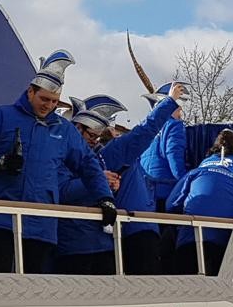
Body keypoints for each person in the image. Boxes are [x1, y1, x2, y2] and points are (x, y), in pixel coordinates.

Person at [0, 51, 115, 274]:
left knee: (36, 285)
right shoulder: (0, 117)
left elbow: (88, 164)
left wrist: (105, 198)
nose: (48, 105)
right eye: (44, 99)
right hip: (0, 215)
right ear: (30, 92)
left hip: (41, 221)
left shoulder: (64, 129)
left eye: (54, 101)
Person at [57, 86, 184, 275]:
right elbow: (62, 191)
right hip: (73, 246)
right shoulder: (61, 158)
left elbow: (142, 133)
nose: (94, 141)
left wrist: (110, 187)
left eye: (98, 137)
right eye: (91, 135)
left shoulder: (102, 157)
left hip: (104, 244)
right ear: (76, 128)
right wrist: (98, 181)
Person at [165, 130, 233, 276]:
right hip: (227, 245)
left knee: (185, 284)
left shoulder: (197, 172)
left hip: (190, 238)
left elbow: (171, 204)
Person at [138, 83, 188, 271]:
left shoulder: (149, 129)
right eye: (179, 107)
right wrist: (185, 183)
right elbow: (174, 154)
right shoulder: (173, 126)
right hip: (167, 191)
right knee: (168, 241)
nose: (181, 112)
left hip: (147, 193)